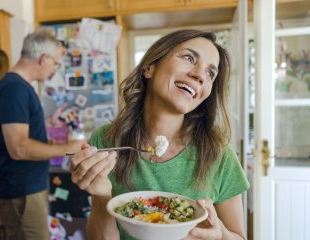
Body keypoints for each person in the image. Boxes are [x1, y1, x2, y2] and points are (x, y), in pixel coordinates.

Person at [70, 29, 249, 240]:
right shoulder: (107, 141)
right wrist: (101, 197)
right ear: (149, 67)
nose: (200, 75)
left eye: (211, 73)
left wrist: (221, 235)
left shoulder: (218, 153)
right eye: (188, 58)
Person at [0, 30, 86, 240]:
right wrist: (69, 147)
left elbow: (21, 131)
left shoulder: (19, 87)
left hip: (26, 188)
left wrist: (45, 126)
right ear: (44, 59)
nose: (55, 69)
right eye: (56, 63)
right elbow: (19, 148)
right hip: (22, 191)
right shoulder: (15, 89)